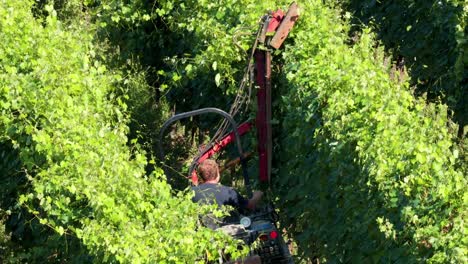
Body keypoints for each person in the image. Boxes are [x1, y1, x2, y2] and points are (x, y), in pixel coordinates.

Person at [192, 159, 263, 226]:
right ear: (217, 173)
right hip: (229, 233)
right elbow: (250, 206)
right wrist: (257, 195)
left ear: (201, 176)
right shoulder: (228, 191)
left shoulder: (192, 192)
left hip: (203, 235)